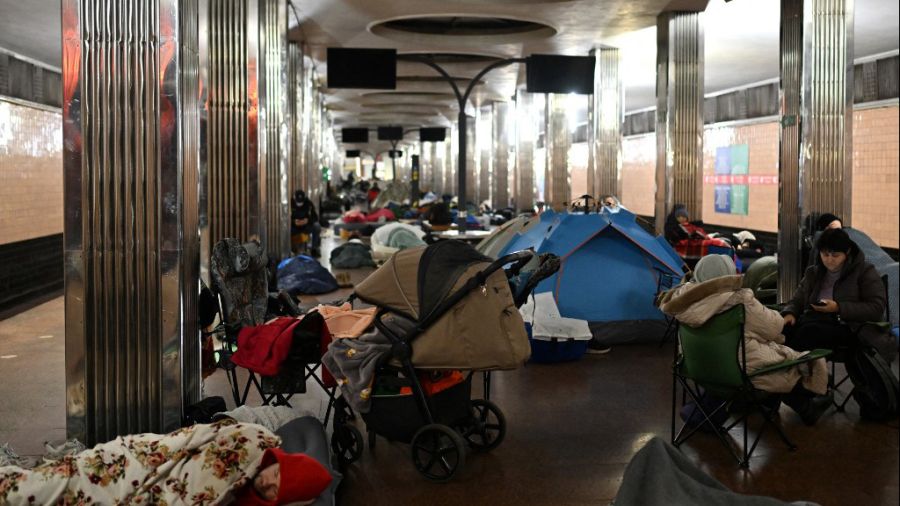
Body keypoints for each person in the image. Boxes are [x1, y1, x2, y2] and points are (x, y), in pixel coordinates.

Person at [659, 254, 832, 425]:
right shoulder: (738, 300)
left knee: (765, 350)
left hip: (698, 370)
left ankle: (779, 405)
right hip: (739, 375)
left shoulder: (682, 302)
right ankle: (806, 406)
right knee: (790, 361)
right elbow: (775, 327)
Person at [0, 418, 333, 505]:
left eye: (277, 492)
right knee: (51, 484)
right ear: (280, 462)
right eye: (278, 475)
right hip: (132, 463)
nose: (268, 483)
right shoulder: (251, 442)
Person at [782, 228, 891, 359]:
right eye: (825, 254)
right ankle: (793, 372)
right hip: (815, 320)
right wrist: (790, 313)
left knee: (808, 333)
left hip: (852, 328)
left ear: (848, 252)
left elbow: (876, 308)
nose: (829, 260)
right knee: (784, 329)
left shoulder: (864, 271)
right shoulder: (813, 273)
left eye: (835, 255)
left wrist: (838, 307)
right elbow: (797, 300)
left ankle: (793, 373)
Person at [291, 189, 321, 257]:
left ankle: (314, 249)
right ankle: (290, 249)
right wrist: (294, 222)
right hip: (294, 226)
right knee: (285, 229)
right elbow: (285, 218)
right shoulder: (290, 203)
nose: (299, 204)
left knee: (317, 226)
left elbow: (315, 217)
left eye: (301, 202)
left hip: (306, 226)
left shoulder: (308, 204)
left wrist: (307, 220)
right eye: (298, 202)